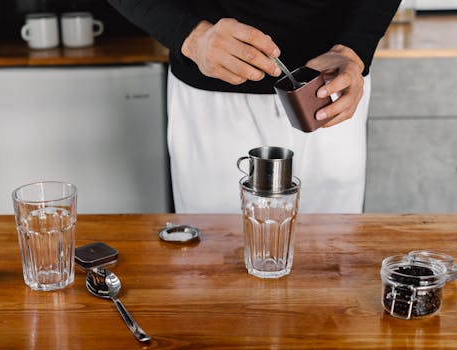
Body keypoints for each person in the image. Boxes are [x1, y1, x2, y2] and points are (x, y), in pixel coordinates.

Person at [108, 1, 400, 214]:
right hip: (212, 97)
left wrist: (354, 49)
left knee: (334, 260)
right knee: (213, 261)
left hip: (329, 90)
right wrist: (192, 37)